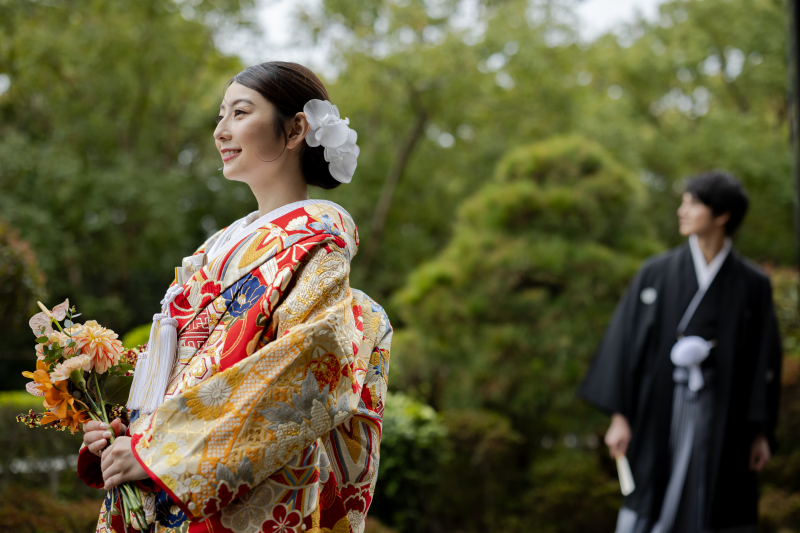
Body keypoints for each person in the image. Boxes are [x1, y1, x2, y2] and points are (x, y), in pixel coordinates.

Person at [77, 62, 392, 533]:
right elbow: (180, 366)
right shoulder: (214, 248)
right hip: (160, 479)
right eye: (220, 115)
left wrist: (162, 451)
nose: (220, 130)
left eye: (240, 113)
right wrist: (122, 427)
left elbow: (312, 364)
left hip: (233, 494)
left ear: (295, 130)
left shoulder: (317, 244)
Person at [579, 171, 782, 533]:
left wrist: (761, 432)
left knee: (719, 502)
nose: (681, 211)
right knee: (652, 498)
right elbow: (625, 345)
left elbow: (763, 361)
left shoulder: (753, 284)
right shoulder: (655, 272)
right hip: (661, 407)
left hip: (726, 414)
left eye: (693, 203)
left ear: (722, 215)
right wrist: (620, 417)